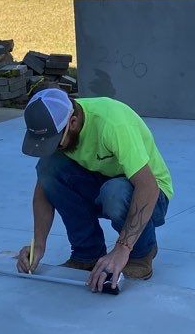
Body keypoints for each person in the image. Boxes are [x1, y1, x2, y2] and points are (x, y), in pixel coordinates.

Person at [16, 88, 173, 292]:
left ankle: (141, 254)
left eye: (56, 142)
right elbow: (43, 191)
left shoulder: (112, 123)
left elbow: (148, 187)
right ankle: (87, 254)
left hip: (152, 195)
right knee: (48, 168)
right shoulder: (61, 127)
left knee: (115, 192)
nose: (54, 147)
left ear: (72, 123)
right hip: (104, 183)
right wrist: (38, 245)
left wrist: (121, 249)